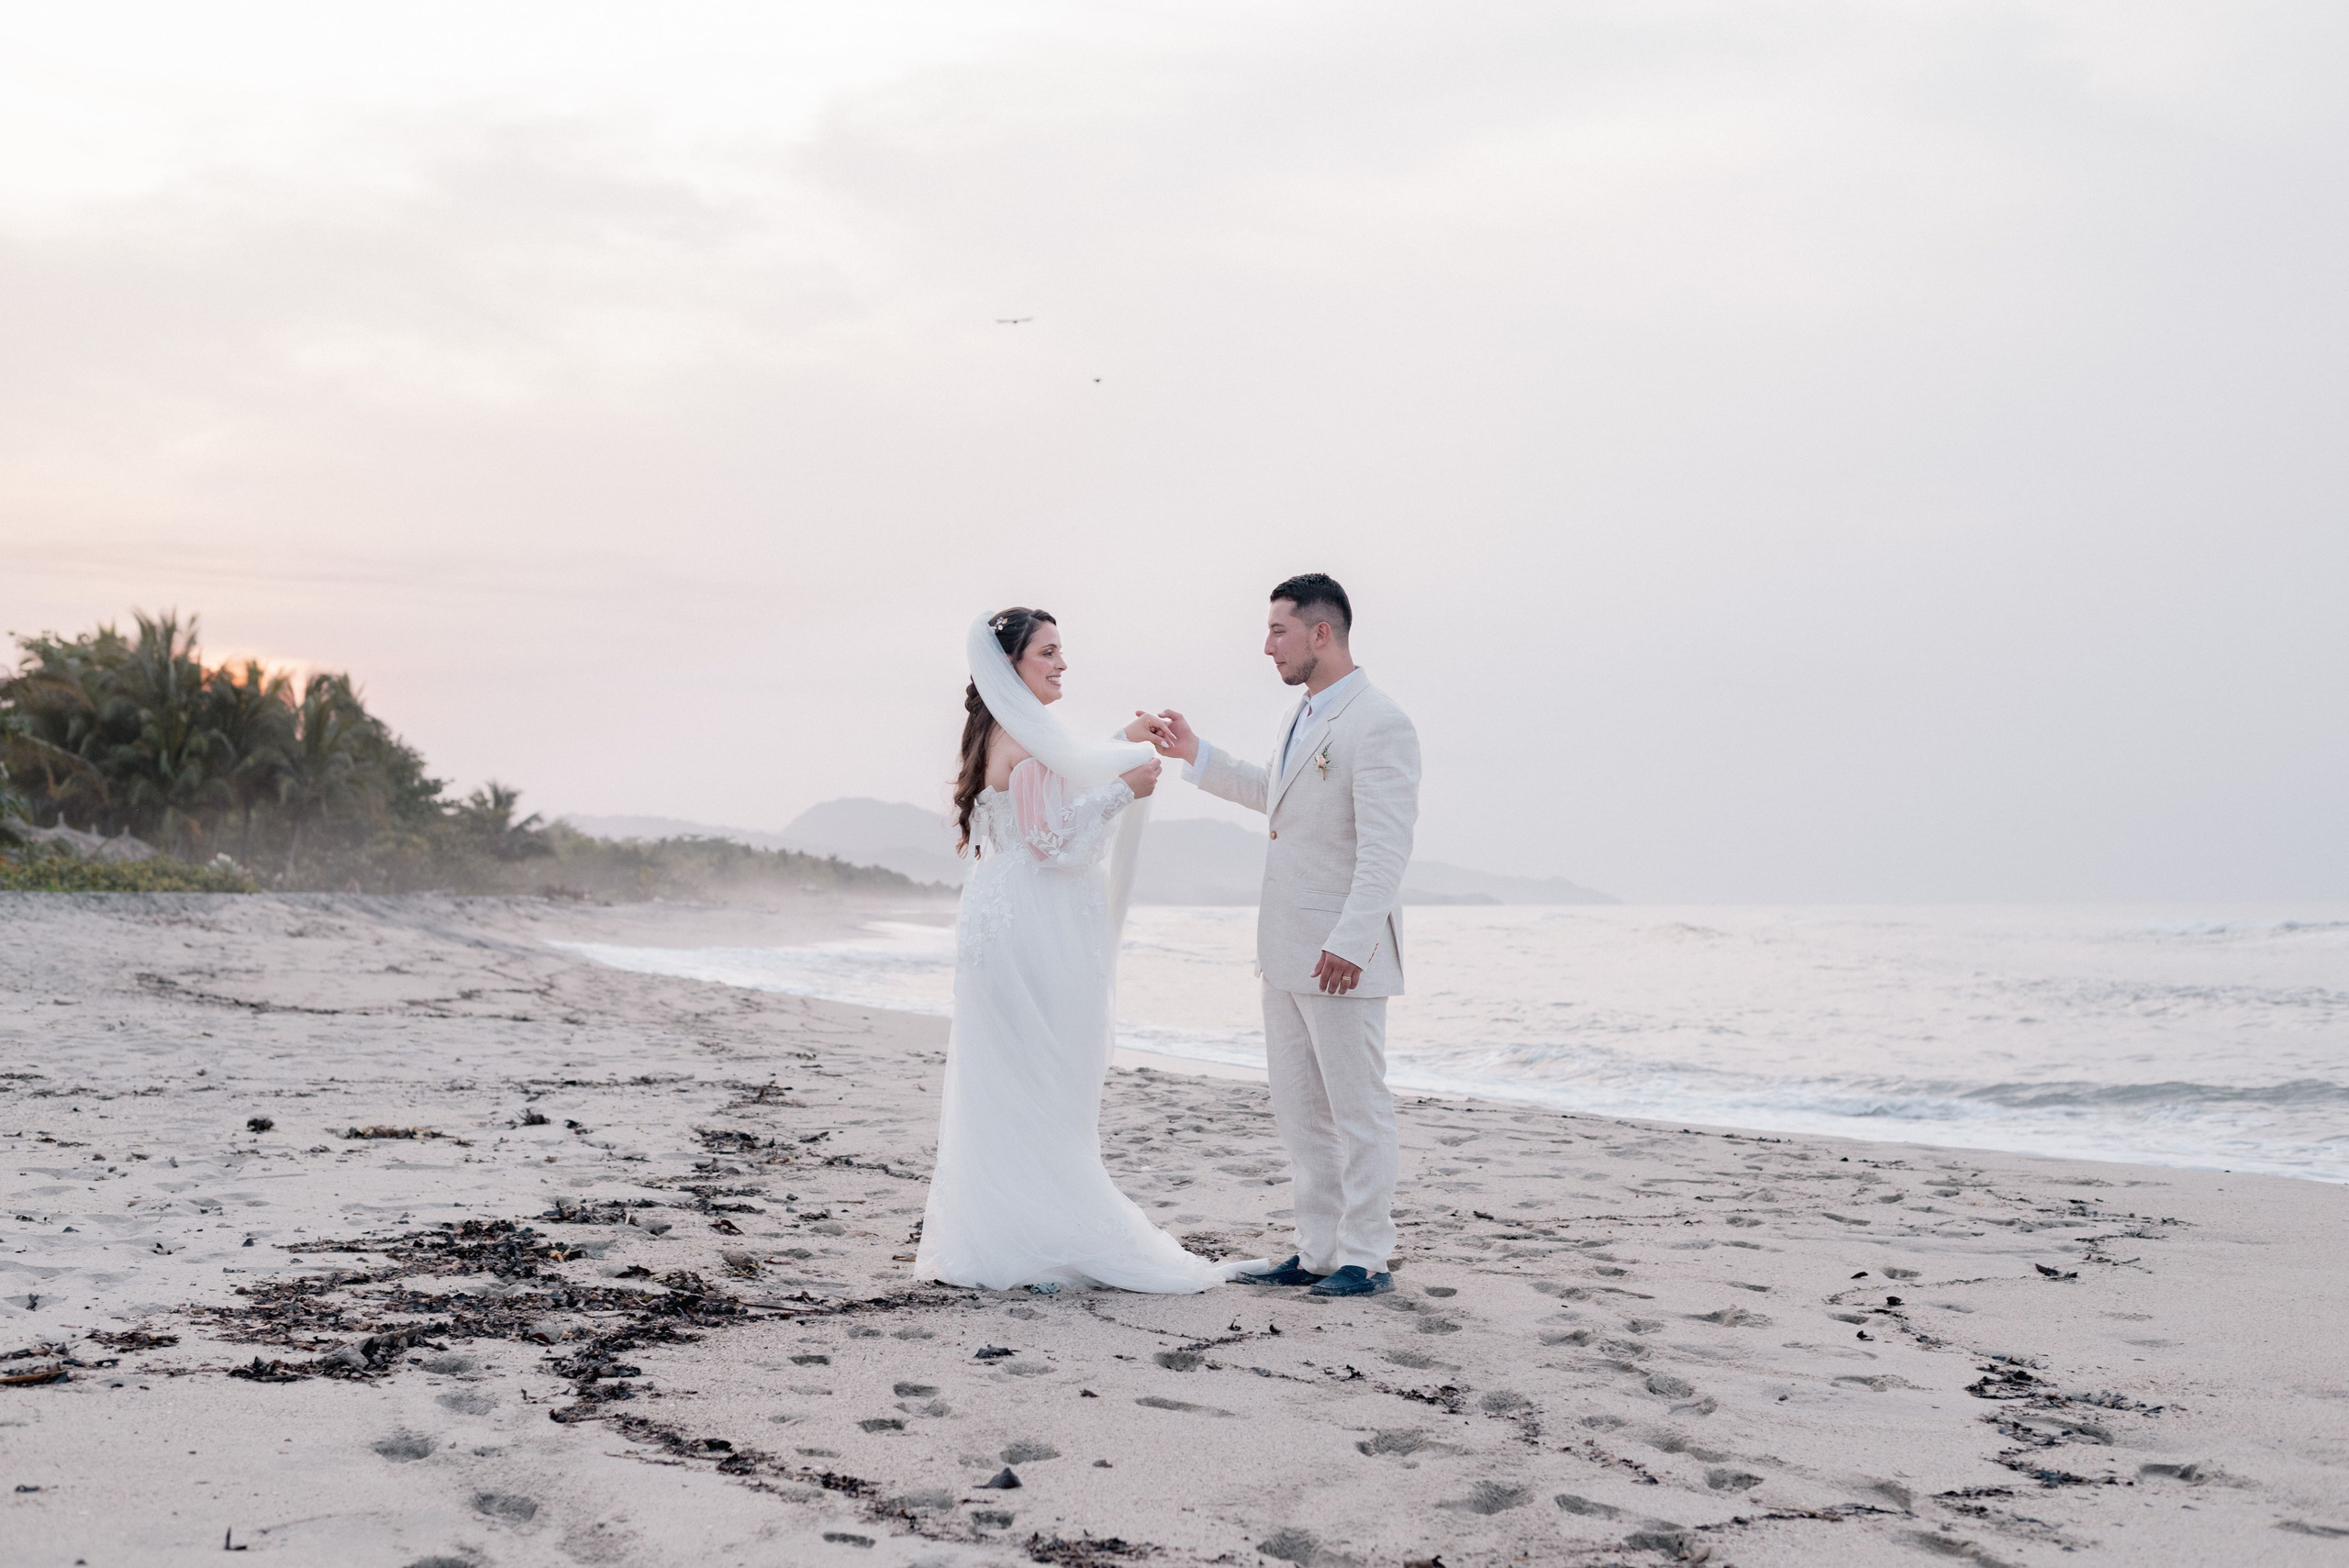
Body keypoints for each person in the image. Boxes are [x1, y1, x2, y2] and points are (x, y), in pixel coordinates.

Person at [914, 606, 1264, 1292]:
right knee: (1046, 1078)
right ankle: (1047, 1230)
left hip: (1003, 919)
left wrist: (1124, 741)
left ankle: (1007, 1229)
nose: (1062, 662)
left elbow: (1055, 784)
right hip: (1032, 927)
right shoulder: (1024, 735)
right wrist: (1121, 789)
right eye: (1048, 651)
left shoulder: (1001, 730)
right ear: (1012, 664)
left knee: (1016, 1080)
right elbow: (1054, 840)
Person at [1146, 573, 1420, 1297]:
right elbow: (1277, 793)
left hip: (1342, 956)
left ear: (1319, 633)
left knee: (1358, 1111)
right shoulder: (1301, 716)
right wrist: (1196, 753)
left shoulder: (1379, 722)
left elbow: (1386, 851)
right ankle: (1317, 1247)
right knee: (1300, 1113)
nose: (1267, 645)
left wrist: (1350, 940)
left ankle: (1367, 1257)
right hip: (1284, 948)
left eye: (1278, 631)